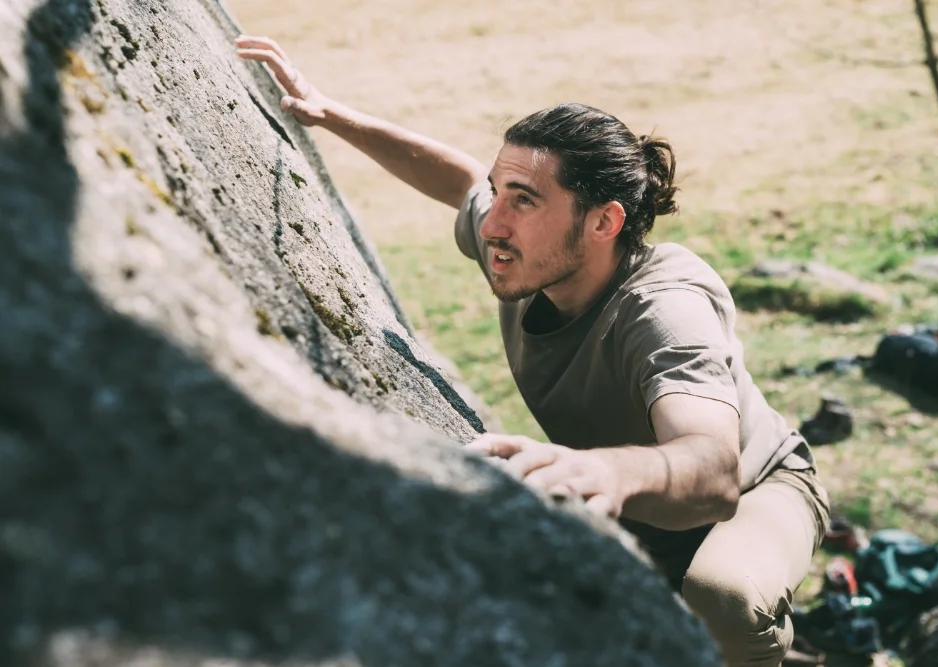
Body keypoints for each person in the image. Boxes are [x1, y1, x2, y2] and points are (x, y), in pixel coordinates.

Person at [236, 35, 832, 667]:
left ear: (604, 222)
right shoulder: (526, 253)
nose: (493, 221)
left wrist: (606, 473)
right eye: (500, 192)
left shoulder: (664, 309)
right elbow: (458, 179)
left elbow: (714, 473)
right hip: (639, 505)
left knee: (722, 596)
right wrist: (329, 113)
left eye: (524, 199)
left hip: (758, 489)